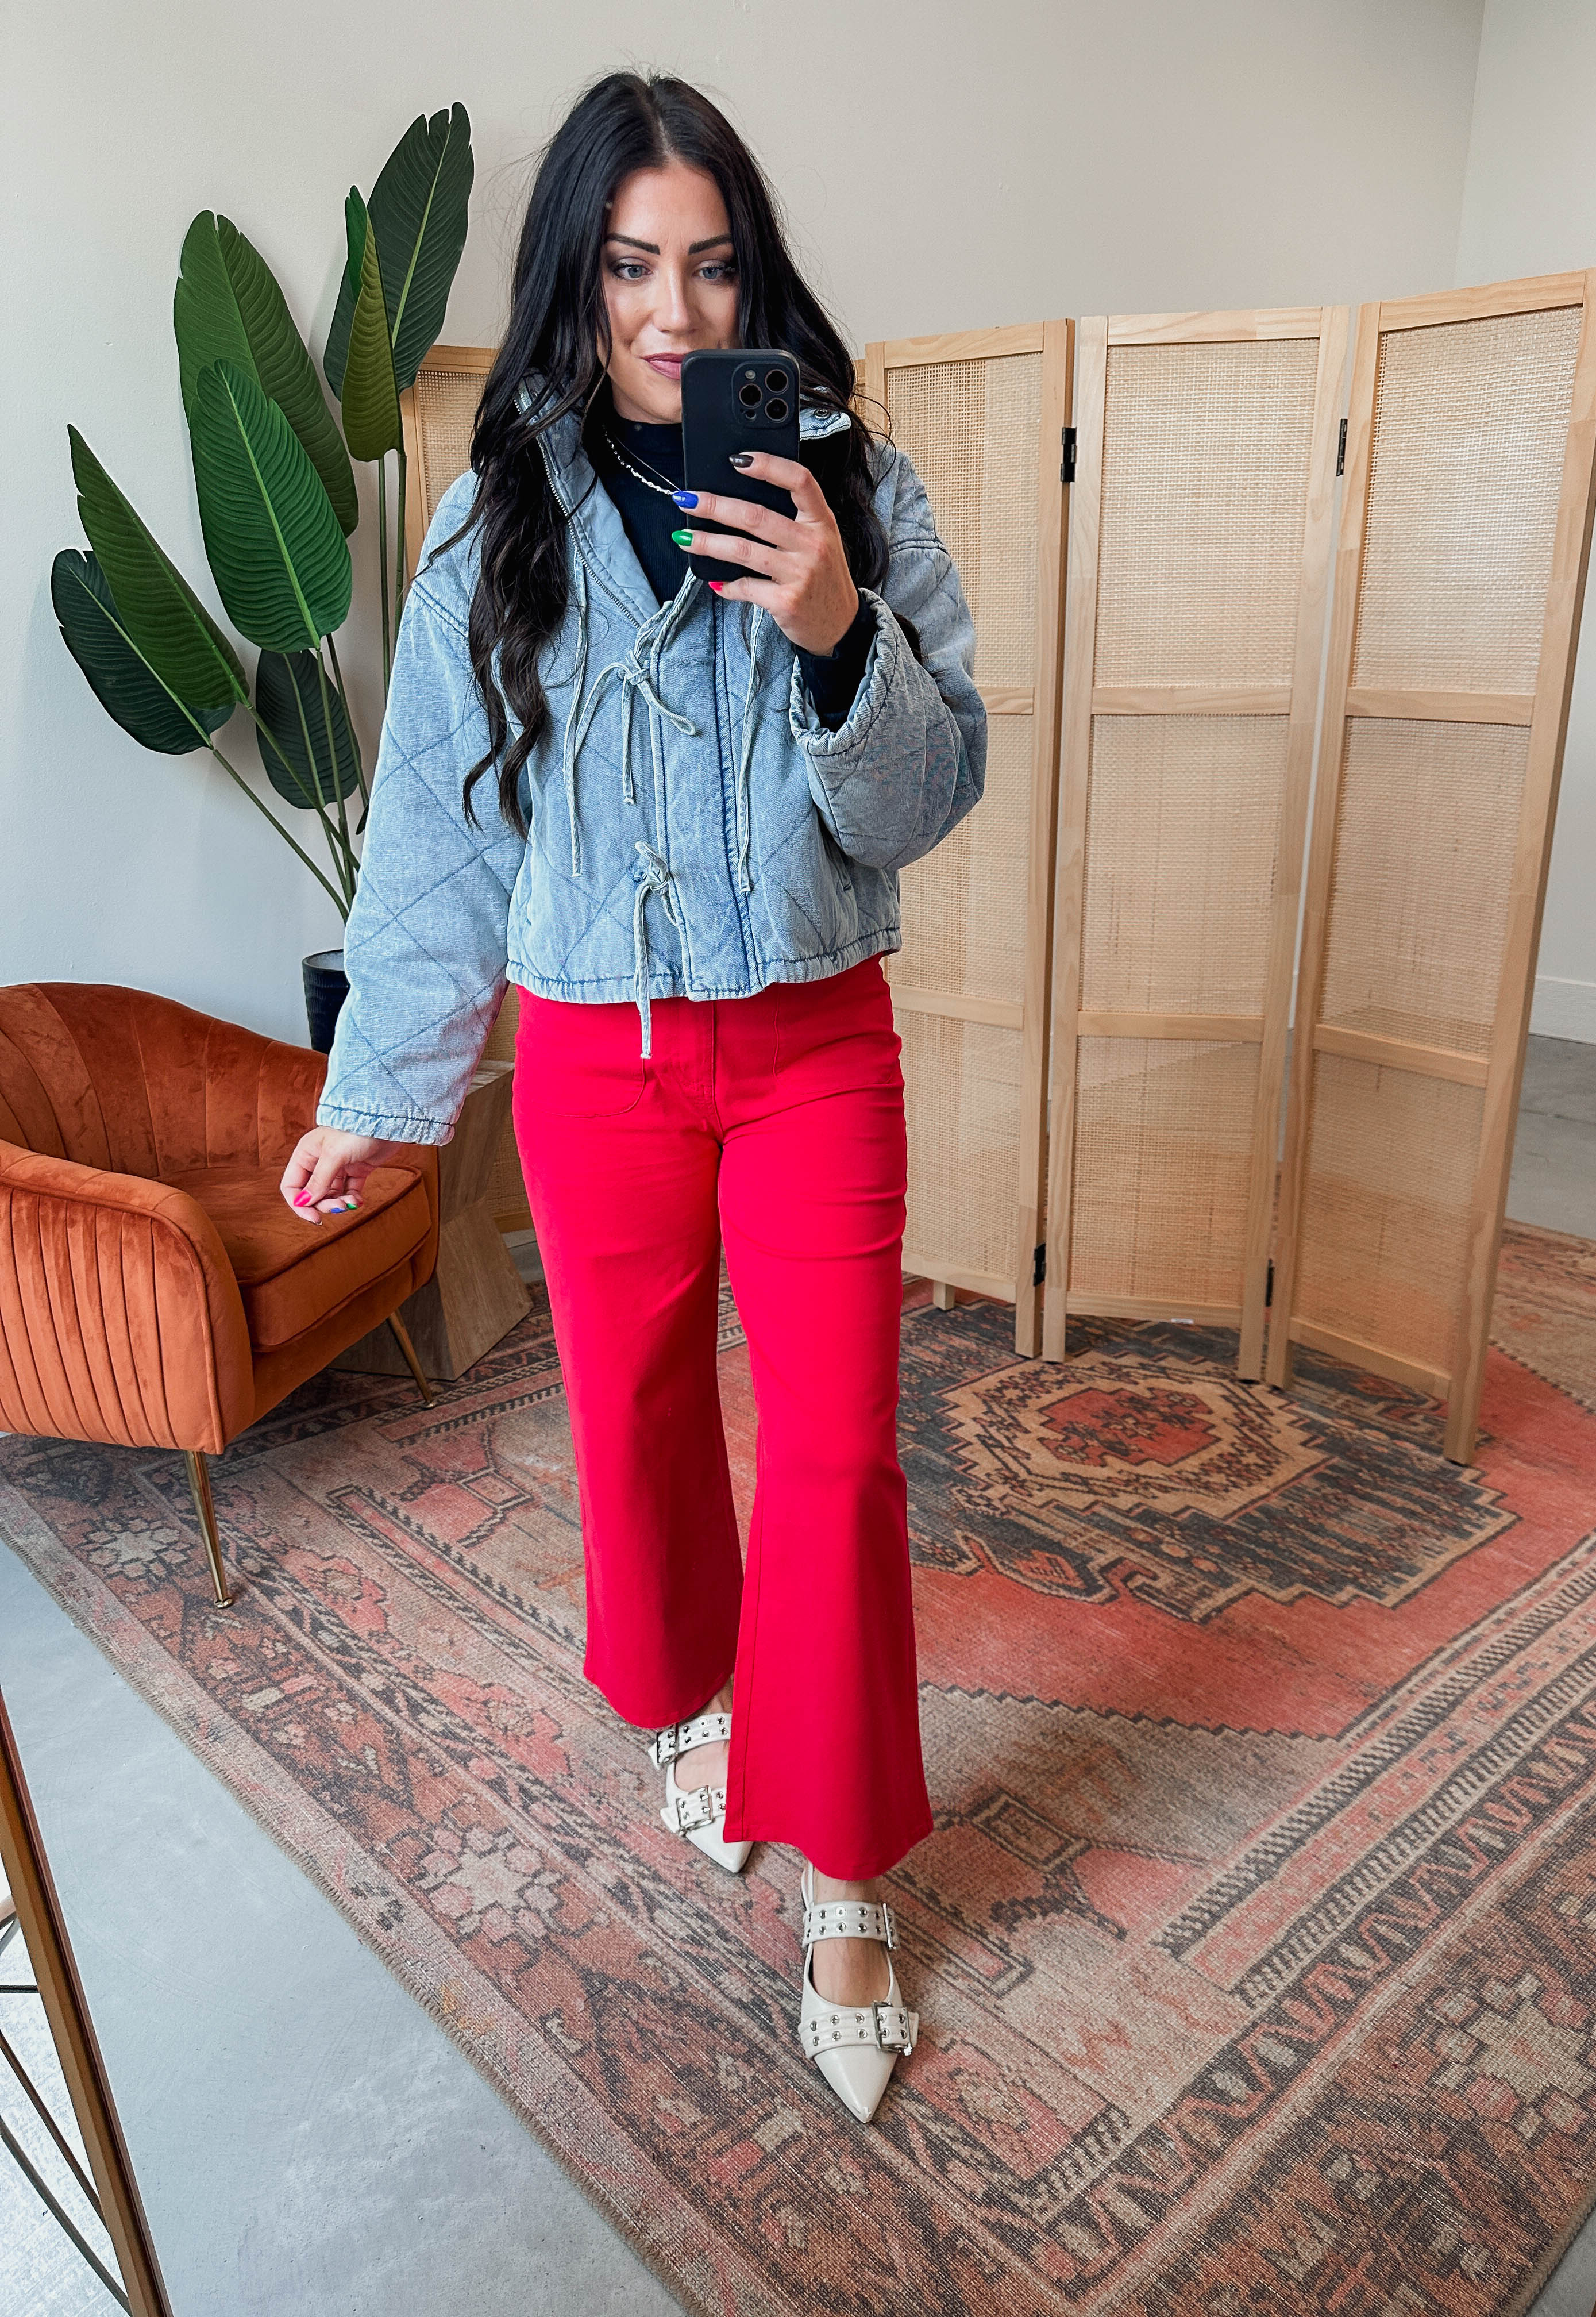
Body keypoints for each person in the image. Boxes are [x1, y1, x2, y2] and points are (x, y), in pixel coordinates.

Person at [276, 70, 986, 2123]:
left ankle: (843, 1877)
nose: (676, 311)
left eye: (714, 264)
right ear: (575, 285)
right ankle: (691, 1707)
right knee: (639, 1414)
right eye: (629, 267)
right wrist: (383, 1093)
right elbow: (439, 833)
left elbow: (928, 797)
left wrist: (836, 627)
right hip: (596, 1058)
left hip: (813, 1047)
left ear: (757, 279)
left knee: (838, 1457)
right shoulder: (494, 522)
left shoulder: (853, 484)